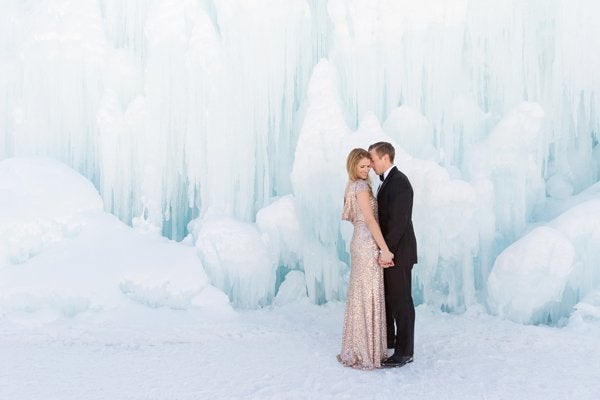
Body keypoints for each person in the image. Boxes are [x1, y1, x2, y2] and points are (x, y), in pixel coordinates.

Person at [337, 148, 394, 370]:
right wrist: (385, 249)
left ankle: (360, 346)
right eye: (361, 166)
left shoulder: (351, 187)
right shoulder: (360, 187)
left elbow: (357, 219)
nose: (366, 170)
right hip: (367, 241)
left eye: (368, 166)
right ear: (352, 166)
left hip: (359, 239)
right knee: (368, 292)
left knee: (362, 292)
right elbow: (370, 220)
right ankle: (365, 350)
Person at [368, 141, 417, 368]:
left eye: (373, 159)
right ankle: (391, 340)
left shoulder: (400, 182)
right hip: (391, 252)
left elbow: (399, 222)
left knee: (401, 301)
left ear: (385, 158)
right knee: (389, 298)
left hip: (398, 253)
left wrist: (387, 251)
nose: (371, 164)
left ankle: (405, 352)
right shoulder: (387, 182)